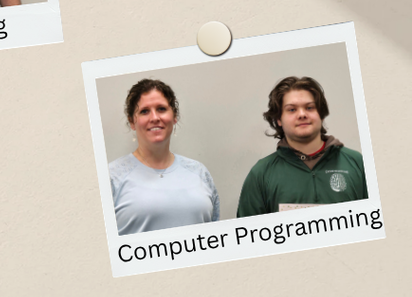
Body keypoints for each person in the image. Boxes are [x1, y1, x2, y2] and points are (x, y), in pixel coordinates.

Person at [237, 77, 368, 216]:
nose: (302, 114)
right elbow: (248, 229)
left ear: (321, 115)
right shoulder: (261, 174)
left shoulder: (357, 163)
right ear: (279, 119)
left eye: (309, 107)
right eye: (292, 109)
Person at [108, 79, 220, 234]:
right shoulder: (112, 177)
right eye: (144, 111)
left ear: (174, 117)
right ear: (132, 121)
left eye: (161, 109)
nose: (154, 117)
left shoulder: (199, 172)